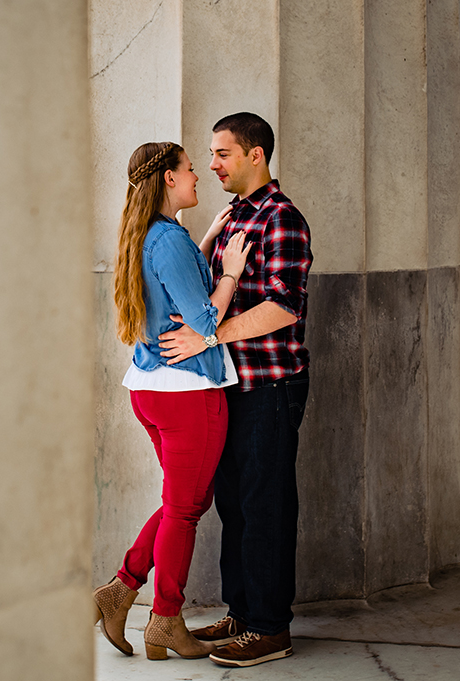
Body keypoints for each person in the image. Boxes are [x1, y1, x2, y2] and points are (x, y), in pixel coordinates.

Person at [158, 112, 313, 668]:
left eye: (222, 154)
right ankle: (243, 614)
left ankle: (271, 628)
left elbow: (282, 305)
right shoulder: (232, 218)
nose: (214, 164)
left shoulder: (282, 218)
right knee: (235, 505)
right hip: (228, 386)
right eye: (210, 156)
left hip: (271, 385)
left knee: (265, 505)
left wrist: (210, 337)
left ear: (256, 155)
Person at [93, 141, 251, 661]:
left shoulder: (150, 235)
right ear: (167, 179)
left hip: (151, 392)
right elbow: (207, 323)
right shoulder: (168, 243)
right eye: (189, 169)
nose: (199, 175)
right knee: (184, 511)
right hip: (188, 397)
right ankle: (164, 619)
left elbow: (175, 274)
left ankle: (120, 590)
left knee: (181, 503)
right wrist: (229, 268)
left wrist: (203, 240)